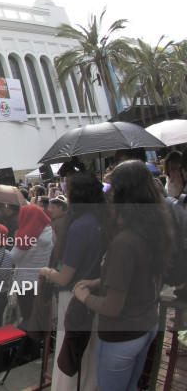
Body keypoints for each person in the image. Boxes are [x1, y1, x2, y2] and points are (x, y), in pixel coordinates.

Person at [73, 160, 170, 390]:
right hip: (146, 325)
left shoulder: (124, 243)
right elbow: (136, 276)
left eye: (113, 189)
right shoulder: (152, 229)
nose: (110, 195)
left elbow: (112, 306)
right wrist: (99, 281)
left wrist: (83, 296)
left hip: (122, 335)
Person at [40, 167, 109, 391]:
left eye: (67, 190)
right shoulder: (101, 221)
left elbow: (64, 277)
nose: (65, 193)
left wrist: (46, 272)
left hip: (74, 297)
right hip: (96, 295)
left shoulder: (79, 227)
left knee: (69, 355)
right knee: (89, 354)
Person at [11, 204, 53, 331]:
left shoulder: (26, 237)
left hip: (25, 283)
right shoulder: (50, 233)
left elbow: (12, 258)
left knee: (27, 317)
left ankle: (28, 341)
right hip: (41, 280)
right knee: (37, 316)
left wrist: (16, 239)